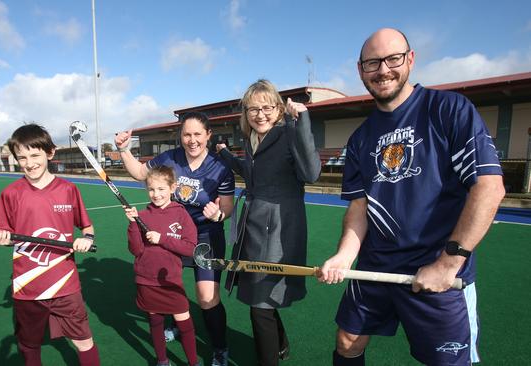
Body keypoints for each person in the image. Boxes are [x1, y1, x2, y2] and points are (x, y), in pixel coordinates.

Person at [317, 28, 506, 366]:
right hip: (376, 266)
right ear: (361, 70)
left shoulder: (448, 109)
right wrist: (345, 256)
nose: (383, 70)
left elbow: (489, 186)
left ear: (411, 60)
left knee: (446, 362)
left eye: (393, 59)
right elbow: (360, 207)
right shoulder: (361, 138)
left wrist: (448, 264)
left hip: (436, 268)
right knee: (347, 342)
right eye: (373, 63)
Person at [115, 112, 235, 366]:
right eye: (187, 135)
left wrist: (218, 215)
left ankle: (220, 348)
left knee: (206, 297)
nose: (192, 140)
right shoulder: (170, 157)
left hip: (206, 235)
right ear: (181, 136)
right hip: (171, 231)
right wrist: (124, 149)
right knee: (168, 281)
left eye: (197, 135)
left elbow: (227, 208)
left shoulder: (221, 167)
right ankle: (178, 324)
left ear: (208, 136)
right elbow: (140, 173)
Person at [216, 79, 321, 366]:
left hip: (279, 229)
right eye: (253, 109)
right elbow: (250, 174)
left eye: (267, 107)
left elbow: (311, 173)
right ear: (245, 113)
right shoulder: (252, 140)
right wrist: (225, 153)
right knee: (260, 295)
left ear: (278, 109)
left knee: (259, 305)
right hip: (252, 227)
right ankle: (281, 343)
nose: (260, 114)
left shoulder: (288, 132)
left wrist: (302, 120)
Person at [0, 124, 100, 366]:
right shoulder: (10, 193)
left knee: (83, 341)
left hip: (65, 284)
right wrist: (1, 238)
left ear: (50, 153)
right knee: (29, 345)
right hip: (27, 285)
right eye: (22, 157)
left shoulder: (68, 190)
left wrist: (87, 239)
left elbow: (87, 228)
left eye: (34, 155)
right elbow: (4, 232)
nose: (29, 163)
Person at [124, 166, 201, 366]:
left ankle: (192, 362)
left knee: (185, 323)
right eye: (151, 189)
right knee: (155, 323)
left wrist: (162, 239)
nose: (156, 194)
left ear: (172, 188)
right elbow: (136, 250)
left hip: (170, 281)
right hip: (146, 280)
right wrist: (133, 224)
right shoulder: (142, 215)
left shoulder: (181, 215)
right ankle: (162, 360)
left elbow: (191, 248)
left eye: (161, 189)